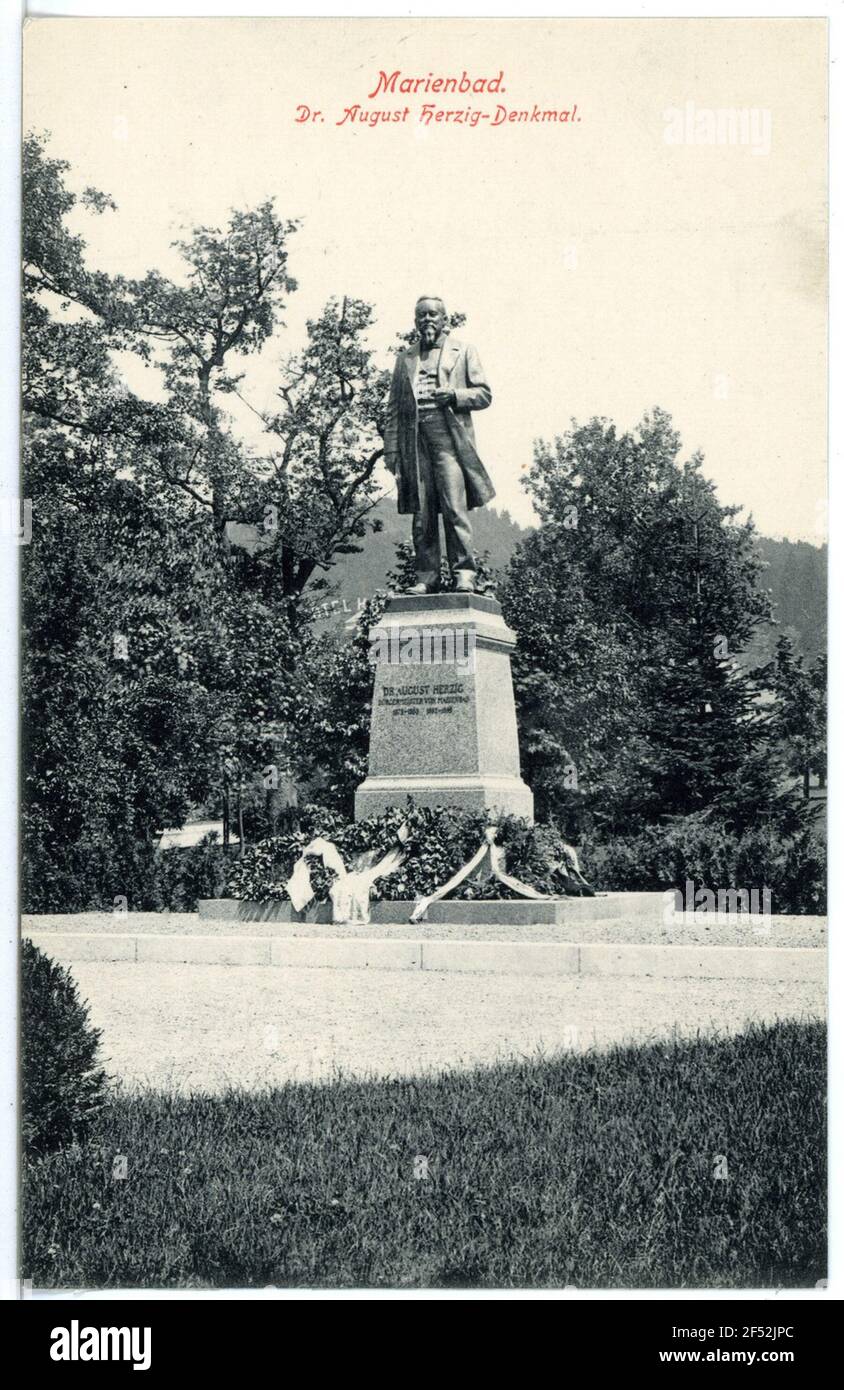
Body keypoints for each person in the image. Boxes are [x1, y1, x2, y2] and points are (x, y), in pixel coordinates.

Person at [383, 296, 495, 594]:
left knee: (454, 508)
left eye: (433, 314)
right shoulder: (405, 358)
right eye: (421, 315)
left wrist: (455, 395)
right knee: (422, 514)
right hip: (415, 443)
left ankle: (465, 574)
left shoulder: (464, 350)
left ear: (445, 319)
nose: (427, 319)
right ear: (415, 321)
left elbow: (484, 394)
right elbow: (394, 408)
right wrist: (391, 449)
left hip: (449, 442)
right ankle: (426, 576)